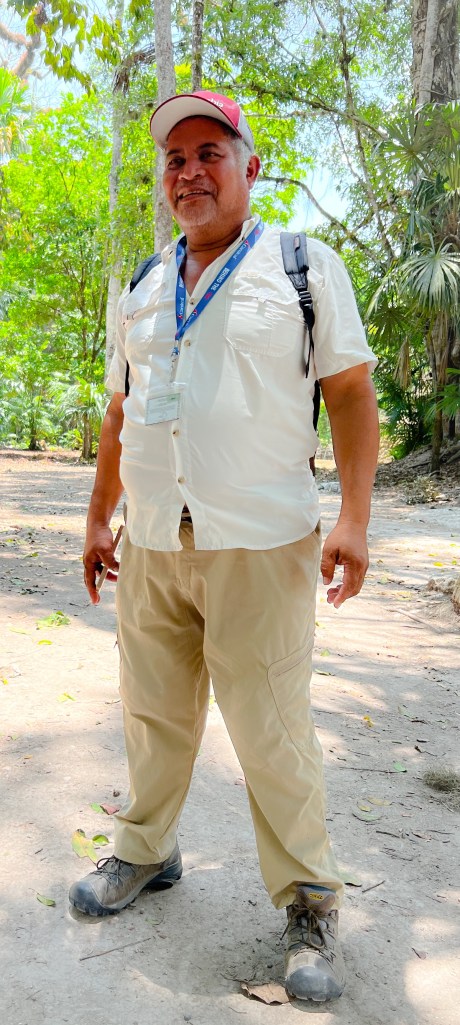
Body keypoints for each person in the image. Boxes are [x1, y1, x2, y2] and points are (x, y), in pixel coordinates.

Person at [69, 90, 379, 1003]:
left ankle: (310, 898)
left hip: (261, 542)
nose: (190, 172)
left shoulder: (300, 266)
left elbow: (351, 393)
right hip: (153, 542)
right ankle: (146, 848)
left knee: (270, 727)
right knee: (153, 712)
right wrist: (98, 516)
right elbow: (122, 410)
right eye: (175, 159)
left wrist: (355, 520)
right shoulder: (144, 284)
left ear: (250, 166)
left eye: (210, 152)